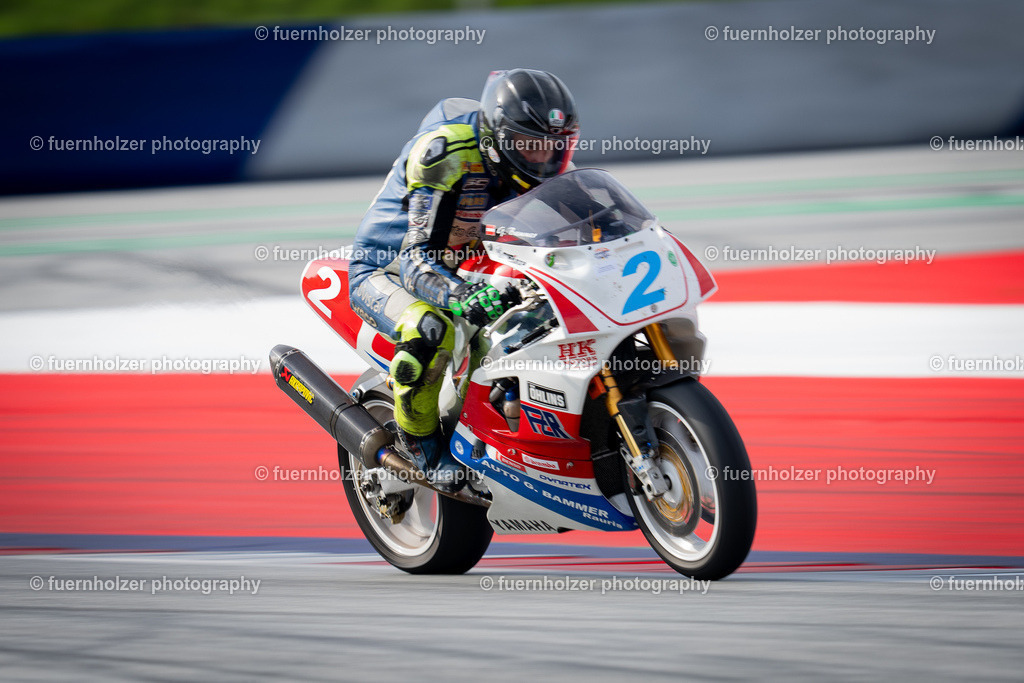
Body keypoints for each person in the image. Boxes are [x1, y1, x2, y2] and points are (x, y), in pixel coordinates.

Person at [348, 69, 580, 490]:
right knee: (429, 329)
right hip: (390, 268)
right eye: (530, 146)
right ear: (496, 139)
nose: (542, 158)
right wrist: (459, 294)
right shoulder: (445, 154)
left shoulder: (546, 165)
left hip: (467, 262)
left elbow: (590, 222)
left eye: (554, 146)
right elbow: (416, 259)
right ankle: (421, 445)